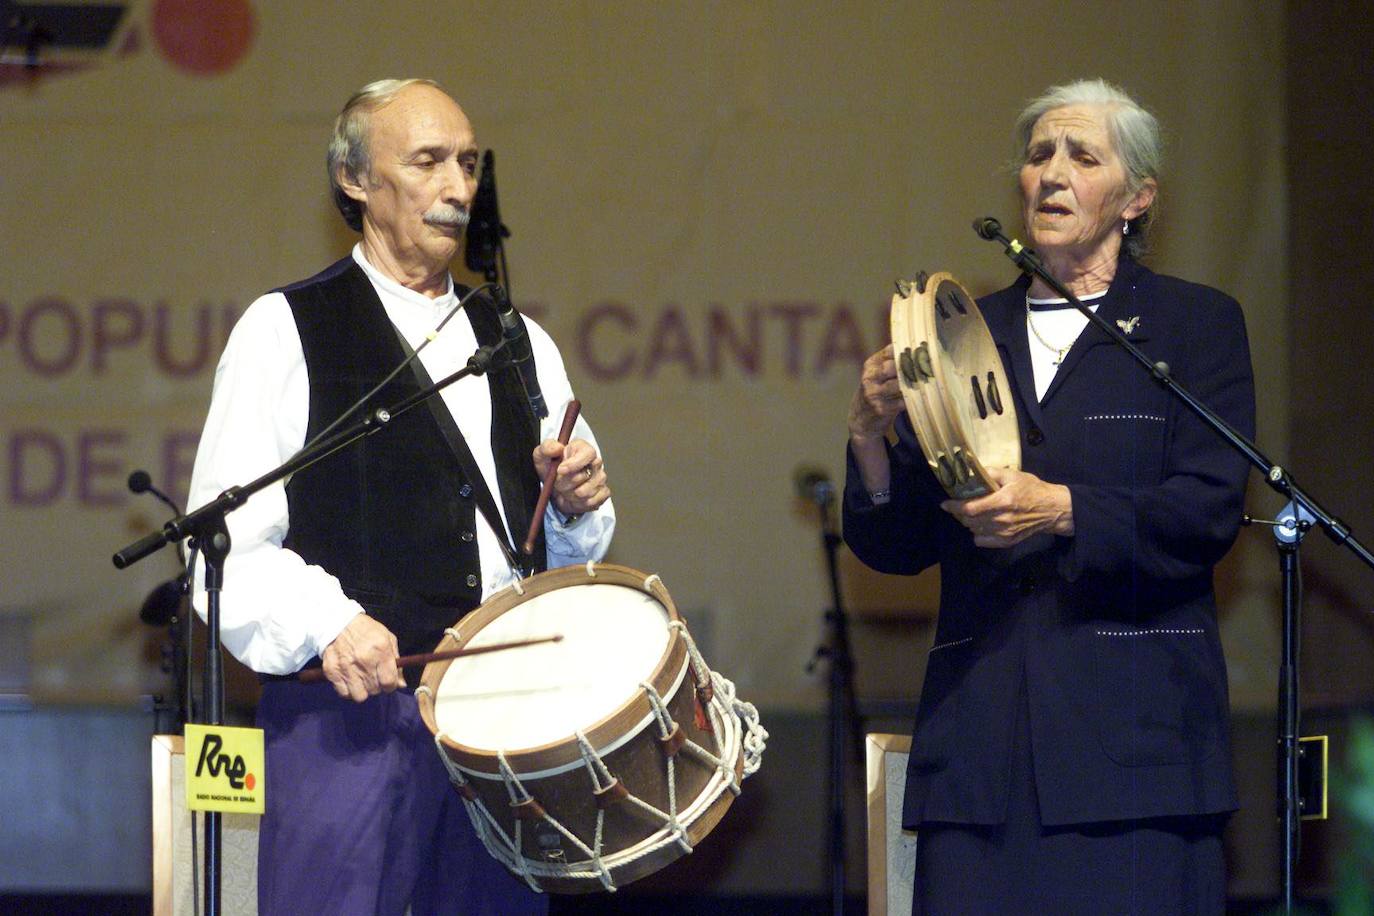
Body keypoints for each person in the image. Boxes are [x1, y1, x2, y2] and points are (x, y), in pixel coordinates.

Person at [186, 78, 614, 915]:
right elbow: (224, 542)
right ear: (355, 179)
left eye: (467, 163)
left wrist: (573, 503)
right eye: (428, 163)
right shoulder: (285, 329)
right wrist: (329, 622)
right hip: (346, 728)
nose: (458, 188)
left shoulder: (519, 342)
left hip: (501, 734)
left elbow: (566, 557)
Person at [844, 79, 1254, 914]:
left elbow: (1207, 509)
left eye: (1082, 155)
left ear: (1137, 198)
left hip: (1137, 762)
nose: (1053, 173)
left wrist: (1061, 507)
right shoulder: (962, 331)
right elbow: (898, 546)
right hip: (981, 757)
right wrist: (867, 438)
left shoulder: (1192, 326)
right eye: (1038, 156)